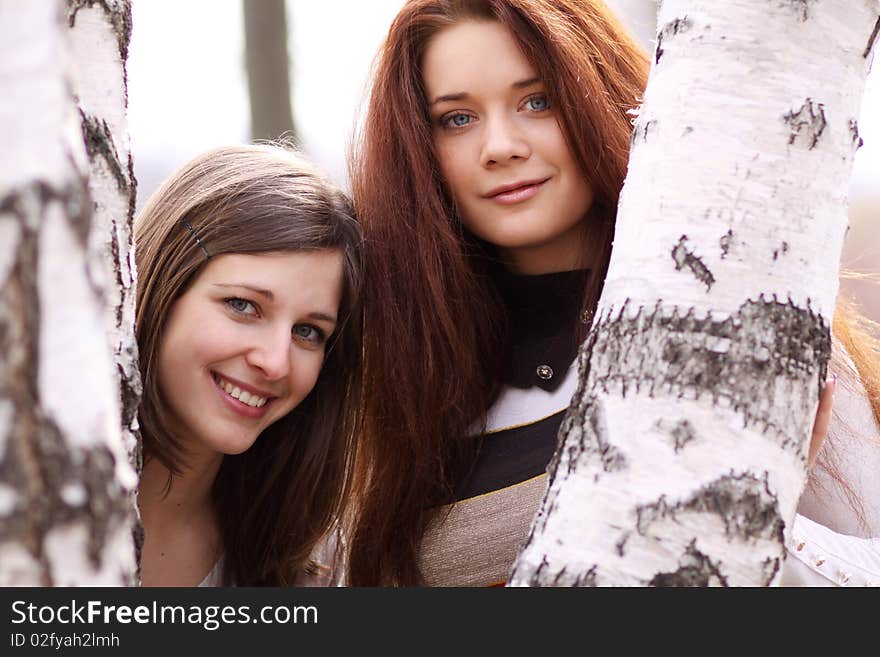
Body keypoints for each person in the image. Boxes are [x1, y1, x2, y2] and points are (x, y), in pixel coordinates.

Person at [345, 0, 880, 586]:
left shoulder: (746, 319)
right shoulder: (401, 374)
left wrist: (747, 512)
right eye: (457, 118)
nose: (499, 146)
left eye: (537, 101)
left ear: (596, 95)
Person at [135, 143, 362, 586]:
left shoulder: (312, 566)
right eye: (243, 305)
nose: (275, 363)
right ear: (163, 284)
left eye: (308, 332)